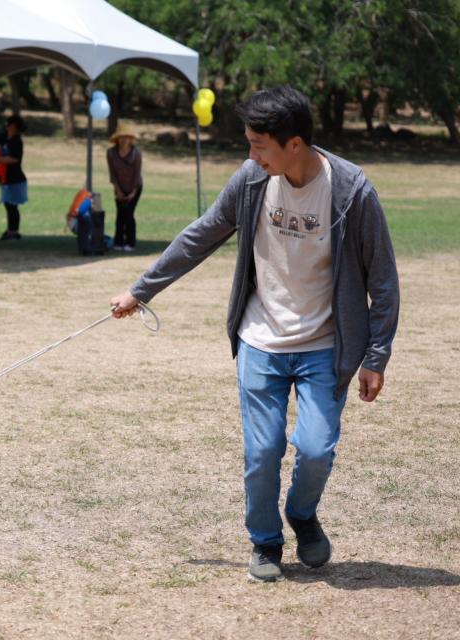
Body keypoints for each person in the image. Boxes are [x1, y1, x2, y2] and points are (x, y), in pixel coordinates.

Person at [109, 86, 399, 582]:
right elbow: (201, 233)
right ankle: (265, 542)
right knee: (262, 451)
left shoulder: (351, 190)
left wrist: (376, 355)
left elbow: (383, 279)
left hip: (324, 346)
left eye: (259, 145)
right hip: (260, 340)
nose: (250, 155)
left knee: (315, 449)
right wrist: (143, 290)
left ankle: (302, 515)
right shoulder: (251, 180)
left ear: (294, 144)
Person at [106, 123, 143, 251]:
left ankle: (130, 242)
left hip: (135, 187)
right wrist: (118, 189)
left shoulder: (136, 153)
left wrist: (133, 191)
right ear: (117, 138)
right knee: (120, 214)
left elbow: (137, 174)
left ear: (131, 139)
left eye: (128, 137)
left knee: (129, 214)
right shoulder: (111, 153)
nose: (124, 140)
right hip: (119, 187)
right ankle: (118, 242)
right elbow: (112, 173)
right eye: (122, 137)